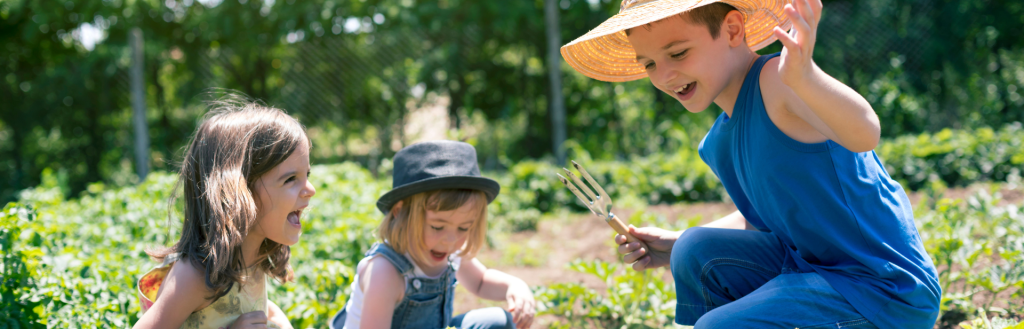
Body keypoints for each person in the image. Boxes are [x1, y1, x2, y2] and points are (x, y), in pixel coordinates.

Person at [560, 0, 941, 328]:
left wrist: (805, 77)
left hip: (882, 290)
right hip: (815, 272)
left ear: (731, 30)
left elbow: (865, 132)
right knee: (694, 248)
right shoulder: (719, 140)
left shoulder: (778, 83)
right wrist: (673, 244)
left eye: (677, 53)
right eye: (649, 64)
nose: (664, 75)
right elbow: (762, 217)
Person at [134, 95, 316, 329]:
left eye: (306, 175)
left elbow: (250, 305)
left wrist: (278, 320)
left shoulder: (252, 260)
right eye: (291, 179)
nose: (310, 190)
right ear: (239, 192)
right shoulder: (196, 276)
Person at [329, 140, 535, 329]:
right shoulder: (385, 272)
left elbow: (480, 281)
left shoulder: (450, 250)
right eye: (437, 227)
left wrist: (514, 286)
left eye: (463, 228)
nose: (451, 239)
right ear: (400, 213)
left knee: (500, 322)